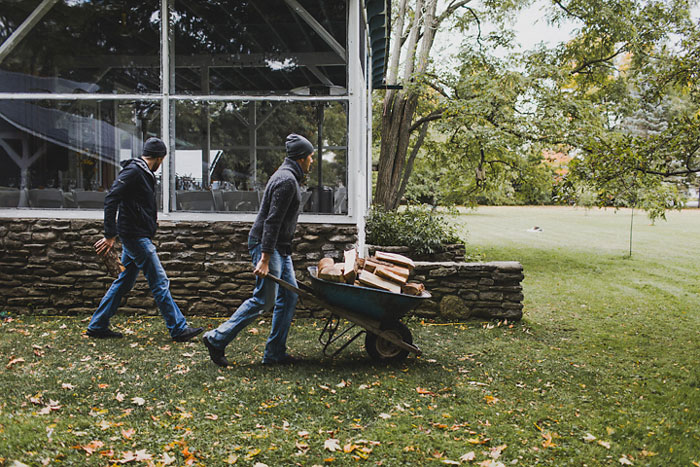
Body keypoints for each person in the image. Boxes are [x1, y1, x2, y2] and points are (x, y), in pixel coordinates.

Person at [202, 133, 314, 366]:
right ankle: (216, 338)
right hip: (268, 246)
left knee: (290, 295)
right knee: (264, 299)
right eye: (311, 157)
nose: (312, 161)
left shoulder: (289, 176)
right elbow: (272, 222)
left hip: (280, 248)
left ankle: (274, 353)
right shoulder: (286, 180)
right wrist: (264, 258)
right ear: (302, 158)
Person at [86, 137, 203, 342]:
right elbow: (111, 199)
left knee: (123, 282)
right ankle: (178, 328)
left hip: (137, 234)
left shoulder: (142, 172)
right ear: (159, 158)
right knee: (160, 281)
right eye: (162, 160)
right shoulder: (134, 172)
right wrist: (109, 234)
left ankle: (97, 325)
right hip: (135, 236)